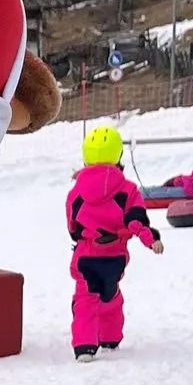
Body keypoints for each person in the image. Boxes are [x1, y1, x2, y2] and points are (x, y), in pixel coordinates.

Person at [64, 123, 162, 358]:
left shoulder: (77, 192)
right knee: (111, 295)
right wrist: (150, 239)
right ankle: (110, 337)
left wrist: (81, 235)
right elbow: (137, 219)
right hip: (115, 257)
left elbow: (73, 225)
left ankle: (85, 346)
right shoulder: (128, 190)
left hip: (87, 254)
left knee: (86, 299)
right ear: (118, 155)